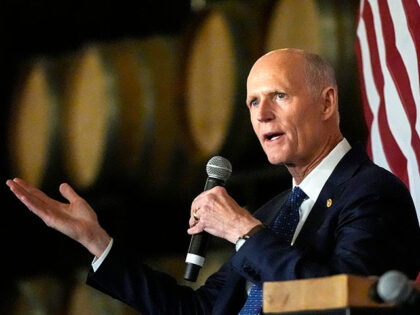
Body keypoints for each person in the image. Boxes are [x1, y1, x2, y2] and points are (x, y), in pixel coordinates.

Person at [6, 48, 420, 314]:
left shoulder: (372, 193)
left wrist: (242, 230)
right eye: (253, 102)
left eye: (279, 96)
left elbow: (341, 301)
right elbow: (201, 311)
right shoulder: (274, 212)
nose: (261, 115)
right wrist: (95, 241)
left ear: (327, 102)